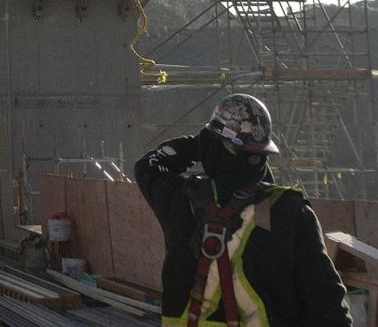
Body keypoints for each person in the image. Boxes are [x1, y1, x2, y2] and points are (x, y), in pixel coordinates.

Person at [135, 94, 351, 327]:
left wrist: (200, 144)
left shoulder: (180, 198)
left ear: (213, 146)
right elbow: (327, 301)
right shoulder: (287, 211)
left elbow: (148, 166)